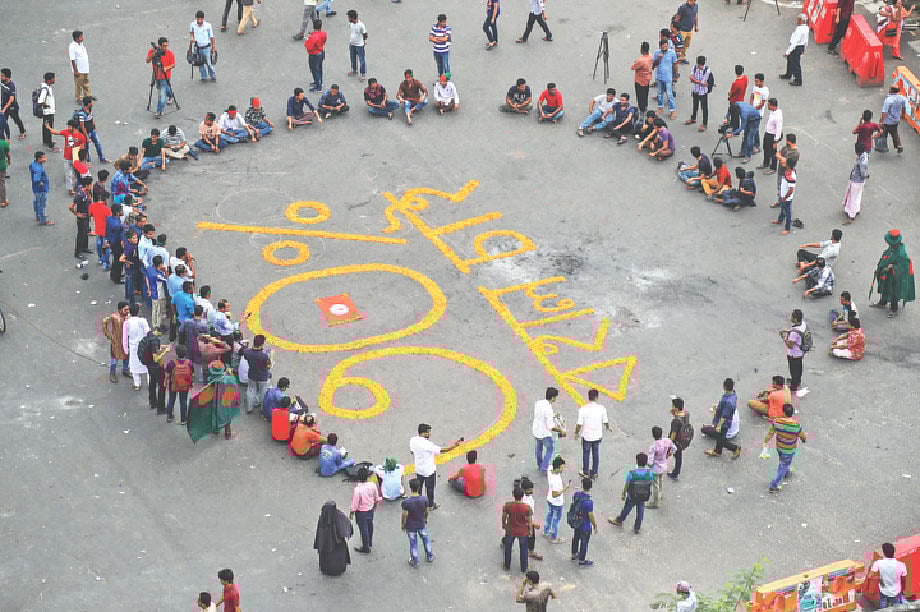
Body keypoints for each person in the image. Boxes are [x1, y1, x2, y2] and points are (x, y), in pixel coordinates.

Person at [409, 423, 462, 509]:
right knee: (430, 489)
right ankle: (430, 505)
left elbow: (412, 452)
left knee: (419, 488)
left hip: (419, 469)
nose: (430, 434)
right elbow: (443, 450)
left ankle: (418, 504)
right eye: (428, 432)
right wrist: (454, 446)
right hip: (429, 470)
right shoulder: (428, 444)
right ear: (423, 433)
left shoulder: (412, 440)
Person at [870, 229, 915, 318]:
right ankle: (883, 302)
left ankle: (894, 310)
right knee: (885, 286)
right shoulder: (892, 248)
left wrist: (892, 267)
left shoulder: (901, 253)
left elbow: (904, 265)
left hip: (896, 276)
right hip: (888, 273)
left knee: (894, 291)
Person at [764, 403, 805, 493]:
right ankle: (773, 485)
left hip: (779, 447)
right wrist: (803, 439)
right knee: (783, 465)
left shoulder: (777, 422)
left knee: (783, 461)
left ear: (783, 413)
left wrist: (765, 441)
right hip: (789, 449)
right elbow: (803, 437)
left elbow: (770, 434)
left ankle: (786, 472)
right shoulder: (796, 426)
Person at [609, 452, 654, 534]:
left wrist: (623, 493)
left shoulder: (632, 473)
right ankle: (637, 527)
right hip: (643, 496)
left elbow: (627, 484)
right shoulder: (649, 473)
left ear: (637, 461)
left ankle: (619, 520)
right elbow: (650, 483)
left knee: (626, 509)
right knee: (640, 511)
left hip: (632, 496)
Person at [575, 389, 610, 479]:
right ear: (596, 397)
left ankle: (585, 472)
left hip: (587, 436)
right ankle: (595, 472)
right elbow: (605, 421)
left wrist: (576, 433)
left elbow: (579, 424)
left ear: (588, 397)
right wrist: (607, 427)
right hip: (597, 436)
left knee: (586, 454)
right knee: (596, 453)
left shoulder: (583, 409)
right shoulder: (601, 408)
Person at [46, 119, 86, 195]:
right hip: (67, 157)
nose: (68, 127)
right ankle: (70, 189)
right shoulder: (66, 132)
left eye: (69, 126)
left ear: (74, 127)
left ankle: (76, 186)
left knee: (76, 174)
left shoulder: (81, 136)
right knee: (68, 174)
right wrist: (49, 128)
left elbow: (83, 147)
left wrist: (80, 156)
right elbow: (56, 132)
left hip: (76, 158)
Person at [705, 378, 742, 459]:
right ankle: (718, 451)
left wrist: (719, 425)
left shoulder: (729, 401)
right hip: (725, 420)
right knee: (720, 438)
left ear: (724, 386)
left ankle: (735, 448)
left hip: (723, 423)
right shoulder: (732, 395)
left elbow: (724, 416)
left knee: (721, 439)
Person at [314, 501, 353, 576]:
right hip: (338, 543)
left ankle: (327, 569)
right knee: (338, 555)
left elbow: (319, 532)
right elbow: (347, 526)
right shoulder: (340, 515)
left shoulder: (323, 517)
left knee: (328, 555)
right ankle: (338, 568)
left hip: (325, 543)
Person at [349, 466, 382, 554]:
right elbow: (376, 497)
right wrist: (375, 505)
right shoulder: (372, 485)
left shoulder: (358, 490)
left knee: (363, 529)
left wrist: (352, 512)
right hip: (370, 509)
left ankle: (365, 547)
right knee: (370, 525)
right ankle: (369, 542)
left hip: (361, 512)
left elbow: (355, 503)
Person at [401, 478, 432, 568]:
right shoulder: (424, 499)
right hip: (421, 523)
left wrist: (403, 525)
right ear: (419, 488)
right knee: (425, 539)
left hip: (410, 526)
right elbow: (426, 511)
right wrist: (425, 519)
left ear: (410, 488)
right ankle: (430, 555)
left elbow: (404, 515)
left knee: (413, 543)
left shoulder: (407, 502)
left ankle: (415, 561)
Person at [502, 487, 533, 573]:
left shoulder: (508, 505)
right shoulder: (527, 508)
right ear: (522, 496)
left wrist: (503, 524)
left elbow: (504, 516)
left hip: (510, 530)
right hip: (523, 531)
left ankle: (507, 565)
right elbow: (530, 520)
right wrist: (530, 531)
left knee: (508, 548)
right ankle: (524, 567)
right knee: (524, 549)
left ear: (513, 495)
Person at [532, 386, 563, 472]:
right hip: (544, 433)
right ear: (553, 397)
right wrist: (561, 430)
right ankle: (544, 467)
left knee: (539, 448)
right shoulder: (548, 409)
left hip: (536, 430)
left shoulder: (538, 403)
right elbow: (550, 426)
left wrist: (553, 415)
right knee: (550, 449)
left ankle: (539, 464)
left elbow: (542, 415)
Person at [145, 37, 176, 120]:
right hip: (156, 75)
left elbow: (173, 65)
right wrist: (153, 54)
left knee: (162, 95)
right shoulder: (152, 51)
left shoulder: (170, 53)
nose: (165, 48)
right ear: (159, 45)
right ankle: (171, 96)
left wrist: (166, 68)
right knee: (166, 89)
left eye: (166, 46)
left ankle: (159, 111)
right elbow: (147, 60)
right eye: (163, 46)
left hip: (165, 76)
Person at [239, 334, 272, 413]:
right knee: (262, 392)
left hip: (252, 374)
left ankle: (249, 408)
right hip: (262, 376)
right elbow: (269, 366)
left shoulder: (247, 352)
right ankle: (262, 408)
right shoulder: (264, 356)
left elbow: (245, 357)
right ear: (261, 344)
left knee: (251, 390)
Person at [646, 426, 677, 509]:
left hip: (656, 467)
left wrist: (649, 465)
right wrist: (668, 454)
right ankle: (660, 493)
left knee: (655, 484)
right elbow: (674, 448)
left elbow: (650, 461)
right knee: (660, 480)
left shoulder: (653, 447)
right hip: (663, 464)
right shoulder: (667, 441)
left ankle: (656, 502)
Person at [870, 542, 908, 607]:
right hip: (896, 592)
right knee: (896, 609)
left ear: (884, 553)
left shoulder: (878, 563)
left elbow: (870, 576)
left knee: (883, 608)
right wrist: (903, 590)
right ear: (894, 552)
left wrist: (880, 578)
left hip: (884, 591)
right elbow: (903, 580)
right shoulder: (901, 565)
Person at [123, 303, 151, 391]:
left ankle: (137, 384)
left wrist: (126, 350)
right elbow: (148, 332)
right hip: (144, 346)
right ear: (138, 312)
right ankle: (150, 383)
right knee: (147, 365)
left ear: (129, 312)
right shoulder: (143, 321)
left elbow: (125, 338)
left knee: (134, 366)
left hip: (133, 346)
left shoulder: (127, 323)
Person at [569, 478, 596, 566]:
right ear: (591, 487)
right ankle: (582, 559)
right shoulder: (589, 502)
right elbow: (591, 516)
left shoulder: (576, 495)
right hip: (585, 525)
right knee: (584, 542)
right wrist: (595, 525)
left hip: (577, 521)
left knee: (576, 538)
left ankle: (574, 553)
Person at [543, 455, 570, 544]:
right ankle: (554, 537)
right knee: (556, 519)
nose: (562, 470)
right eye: (561, 468)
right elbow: (555, 494)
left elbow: (556, 458)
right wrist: (565, 488)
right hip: (557, 502)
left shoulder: (550, 469)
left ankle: (546, 531)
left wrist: (559, 458)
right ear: (557, 468)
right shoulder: (555, 480)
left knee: (549, 515)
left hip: (549, 499)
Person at [164, 345, 194, 424]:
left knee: (171, 400)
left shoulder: (172, 363)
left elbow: (167, 374)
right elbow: (192, 373)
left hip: (173, 384)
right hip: (185, 385)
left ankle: (169, 417)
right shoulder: (189, 363)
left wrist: (165, 382)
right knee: (183, 401)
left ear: (176, 353)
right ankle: (183, 419)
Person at [780, 309, 807, 394]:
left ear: (795, 319)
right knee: (798, 369)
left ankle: (793, 386)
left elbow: (790, 345)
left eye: (792, 316)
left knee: (793, 370)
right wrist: (788, 332)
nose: (790, 317)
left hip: (793, 354)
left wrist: (784, 338)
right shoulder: (802, 325)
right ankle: (797, 381)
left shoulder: (794, 333)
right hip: (800, 352)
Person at [103, 302, 131, 382]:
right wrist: (108, 335)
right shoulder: (114, 317)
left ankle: (125, 370)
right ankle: (112, 373)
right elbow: (104, 321)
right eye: (125, 309)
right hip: (116, 341)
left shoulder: (128, 317)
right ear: (120, 309)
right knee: (114, 357)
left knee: (127, 355)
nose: (127, 311)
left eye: (128, 309)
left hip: (126, 341)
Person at [842, 143, 869, 225]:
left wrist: (865, 176)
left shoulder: (861, 161)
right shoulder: (865, 156)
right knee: (857, 196)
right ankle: (855, 210)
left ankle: (852, 215)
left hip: (856, 180)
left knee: (853, 197)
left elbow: (862, 172)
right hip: (859, 181)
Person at [74, 96, 107, 164]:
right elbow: (82, 127)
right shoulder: (81, 114)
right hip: (86, 132)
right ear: (88, 103)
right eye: (92, 102)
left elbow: (91, 118)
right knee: (87, 147)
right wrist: (87, 137)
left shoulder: (90, 109)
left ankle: (101, 158)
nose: (93, 103)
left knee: (98, 144)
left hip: (92, 131)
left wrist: (94, 126)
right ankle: (88, 160)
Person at [779, 14, 808, 87]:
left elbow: (795, 42)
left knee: (795, 63)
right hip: (801, 46)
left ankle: (798, 80)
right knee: (790, 60)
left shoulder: (799, 30)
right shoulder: (806, 28)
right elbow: (806, 40)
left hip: (796, 47)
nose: (797, 21)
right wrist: (804, 48)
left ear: (801, 20)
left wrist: (787, 52)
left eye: (798, 19)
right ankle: (788, 74)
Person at [653, 39, 678, 120]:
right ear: (660, 46)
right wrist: (658, 59)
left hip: (668, 77)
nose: (664, 47)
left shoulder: (672, 53)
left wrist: (675, 75)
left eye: (665, 45)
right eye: (663, 46)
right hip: (660, 76)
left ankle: (672, 111)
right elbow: (653, 65)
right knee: (660, 93)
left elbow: (674, 64)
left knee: (669, 95)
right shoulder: (657, 53)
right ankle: (660, 107)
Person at [879, 86, 909, 154]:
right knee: (894, 133)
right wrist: (903, 115)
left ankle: (883, 146)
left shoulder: (888, 100)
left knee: (883, 133)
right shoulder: (901, 98)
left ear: (891, 90)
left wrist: (881, 121)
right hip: (895, 120)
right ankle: (898, 145)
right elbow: (903, 108)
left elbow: (884, 112)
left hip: (887, 120)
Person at [189, 11, 217, 82]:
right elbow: (191, 33)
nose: (199, 21)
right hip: (197, 46)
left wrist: (213, 47)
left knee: (209, 62)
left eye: (201, 19)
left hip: (206, 47)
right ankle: (203, 76)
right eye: (198, 19)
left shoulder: (208, 25)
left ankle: (213, 75)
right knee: (199, 62)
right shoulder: (192, 25)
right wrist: (193, 38)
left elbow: (212, 37)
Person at [0, 68, 27, 140]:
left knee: (16, 120)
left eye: (2, 76)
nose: (1, 77)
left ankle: (22, 131)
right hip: (4, 106)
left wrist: (5, 108)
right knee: (3, 121)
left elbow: (11, 99)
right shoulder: (2, 82)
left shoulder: (11, 86)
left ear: (7, 77)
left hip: (12, 107)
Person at [685, 56, 710, 132]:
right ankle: (693, 118)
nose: (700, 66)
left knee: (704, 108)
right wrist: (697, 81)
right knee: (695, 105)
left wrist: (694, 80)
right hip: (696, 90)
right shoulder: (695, 67)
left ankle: (704, 124)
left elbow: (703, 82)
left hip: (703, 92)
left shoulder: (707, 70)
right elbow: (691, 76)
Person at [773, 157, 797, 235]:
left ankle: (787, 228)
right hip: (783, 195)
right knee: (782, 208)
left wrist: (785, 197)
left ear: (788, 166)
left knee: (787, 211)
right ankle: (780, 220)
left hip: (787, 197)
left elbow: (791, 190)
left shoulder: (791, 177)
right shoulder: (787, 171)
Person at [667, 398, 690, 480]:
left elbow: (673, 434)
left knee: (677, 456)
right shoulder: (686, 414)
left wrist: (669, 444)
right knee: (679, 456)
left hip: (677, 441)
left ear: (676, 408)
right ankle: (677, 471)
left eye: (673, 406)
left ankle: (675, 473)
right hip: (684, 438)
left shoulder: (675, 421)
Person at [759, 98, 783, 172]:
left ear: (773, 106)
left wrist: (775, 141)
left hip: (772, 135)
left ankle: (773, 167)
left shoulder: (778, 117)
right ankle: (766, 162)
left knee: (773, 152)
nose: (768, 106)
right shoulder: (772, 112)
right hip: (768, 133)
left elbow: (779, 129)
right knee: (765, 148)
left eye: (769, 105)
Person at [68, 30, 91, 102]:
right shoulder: (72, 47)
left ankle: (88, 96)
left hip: (85, 69)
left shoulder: (81, 44)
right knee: (79, 85)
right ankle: (79, 98)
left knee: (86, 83)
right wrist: (75, 70)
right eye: (81, 36)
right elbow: (73, 59)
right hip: (79, 70)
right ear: (76, 38)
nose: (82, 37)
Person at [630, 42, 654, 114]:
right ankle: (645, 107)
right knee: (645, 94)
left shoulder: (640, 60)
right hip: (647, 79)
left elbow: (633, 67)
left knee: (640, 96)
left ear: (642, 49)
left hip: (640, 80)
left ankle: (642, 111)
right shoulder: (650, 57)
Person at [673, 0, 699, 64]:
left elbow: (695, 16)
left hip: (690, 30)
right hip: (682, 30)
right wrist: (676, 30)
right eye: (691, 0)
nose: (692, 1)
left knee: (686, 45)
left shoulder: (696, 6)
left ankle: (682, 57)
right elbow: (677, 18)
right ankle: (674, 57)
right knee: (678, 45)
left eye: (694, 0)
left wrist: (696, 26)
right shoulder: (682, 8)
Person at [305, 20, 327, 93]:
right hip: (321, 52)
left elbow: (309, 47)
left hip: (314, 54)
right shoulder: (323, 34)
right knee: (319, 68)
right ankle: (320, 81)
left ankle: (318, 86)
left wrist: (307, 40)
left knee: (314, 69)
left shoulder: (312, 37)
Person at [37, 72, 57, 151]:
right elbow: (41, 99)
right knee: (49, 127)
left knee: (45, 126)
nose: (54, 80)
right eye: (53, 78)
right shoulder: (45, 89)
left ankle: (45, 141)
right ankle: (50, 144)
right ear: (49, 80)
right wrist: (46, 105)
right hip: (48, 112)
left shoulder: (47, 87)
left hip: (48, 111)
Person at [346, 10, 367, 81]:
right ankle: (354, 70)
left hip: (359, 45)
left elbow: (365, 34)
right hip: (352, 44)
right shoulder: (351, 24)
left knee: (362, 60)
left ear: (352, 18)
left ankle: (363, 74)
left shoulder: (361, 25)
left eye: (349, 17)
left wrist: (364, 41)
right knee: (352, 58)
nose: (348, 19)